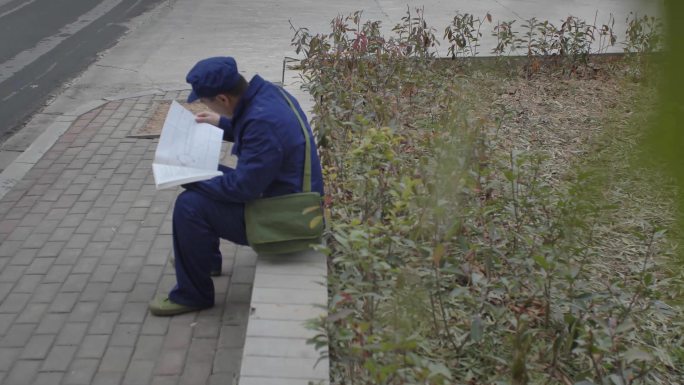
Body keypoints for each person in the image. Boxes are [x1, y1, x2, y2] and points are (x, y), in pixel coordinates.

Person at [148, 56, 324, 316]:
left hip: (287, 216)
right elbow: (253, 131)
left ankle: (192, 295)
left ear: (222, 99)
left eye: (206, 102)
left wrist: (191, 177)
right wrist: (221, 123)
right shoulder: (268, 94)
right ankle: (203, 261)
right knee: (204, 183)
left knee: (190, 205)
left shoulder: (261, 123)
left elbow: (242, 190)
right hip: (285, 194)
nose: (206, 106)